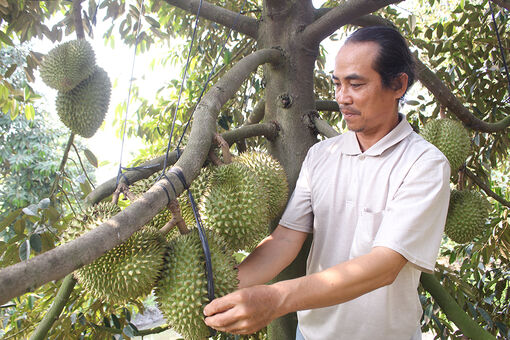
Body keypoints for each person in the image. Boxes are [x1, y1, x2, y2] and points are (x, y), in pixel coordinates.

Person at [203, 26, 451, 340]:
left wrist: (276, 298)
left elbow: (385, 265)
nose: (342, 98)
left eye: (356, 84)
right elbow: (284, 241)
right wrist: (216, 286)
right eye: (337, 83)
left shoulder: (424, 164)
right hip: (311, 335)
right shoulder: (321, 155)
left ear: (398, 84)